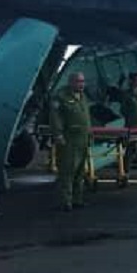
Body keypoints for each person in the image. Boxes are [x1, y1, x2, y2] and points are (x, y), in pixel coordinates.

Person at [50, 72, 92, 212]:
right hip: (69, 139)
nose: (82, 84)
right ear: (71, 82)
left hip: (83, 139)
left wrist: (89, 135)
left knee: (80, 171)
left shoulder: (83, 97)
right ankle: (65, 201)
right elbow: (55, 118)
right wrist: (58, 135)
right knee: (67, 171)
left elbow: (86, 118)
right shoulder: (61, 97)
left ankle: (77, 199)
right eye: (79, 81)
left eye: (83, 81)